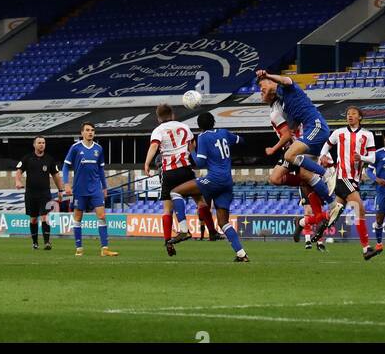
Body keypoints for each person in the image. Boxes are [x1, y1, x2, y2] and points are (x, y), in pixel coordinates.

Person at [257, 69, 338, 235]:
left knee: (290, 158)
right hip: (307, 135)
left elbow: (285, 80)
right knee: (305, 175)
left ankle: (327, 173)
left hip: (316, 127)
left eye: (261, 86)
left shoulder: (287, 88)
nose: (260, 89)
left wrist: (268, 76)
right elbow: (292, 128)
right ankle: (331, 205)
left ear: (273, 83)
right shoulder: (284, 104)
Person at [169, 112, 248, 262]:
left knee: (175, 193)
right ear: (214, 122)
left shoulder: (203, 137)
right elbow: (241, 141)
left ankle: (184, 230)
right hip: (227, 182)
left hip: (214, 179)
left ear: (200, 126)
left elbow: (200, 163)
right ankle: (241, 254)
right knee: (223, 222)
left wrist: (191, 150)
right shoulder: (224, 132)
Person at [144, 103, 206, 257]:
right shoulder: (184, 127)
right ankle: (210, 231)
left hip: (169, 172)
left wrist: (146, 163)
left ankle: (167, 241)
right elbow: (192, 145)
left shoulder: (158, 130)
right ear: (172, 115)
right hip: (186, 170)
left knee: (167, 209)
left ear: (158, 118)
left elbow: (154, 146)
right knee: (200, 201)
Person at [321, 106, 377, 259]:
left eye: (353, 114)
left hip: (355, 179)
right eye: (348, 114)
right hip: (342, 177)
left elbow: (372, 158)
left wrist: (362, 158)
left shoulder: (368, 135)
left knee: (335, 212)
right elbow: (326, 145)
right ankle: (366, 248)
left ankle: (308, 226)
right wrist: (322, 156)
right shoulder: (339, 133)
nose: (350, 116)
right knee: (359, 207)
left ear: (360, 117)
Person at [63, 121, 118, 257]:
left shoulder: (98, 149)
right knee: (78, 217)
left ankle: (104, 249)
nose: (90, 132)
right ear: (82, 133)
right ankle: (79, 248)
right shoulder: (75, 148)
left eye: (92, 130)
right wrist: (66, 183)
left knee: (102, 216)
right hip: (79, 189)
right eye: (87, 130)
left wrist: (104, 187)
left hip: (95, 188)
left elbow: (100, 169)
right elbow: (65, 166)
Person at [15, 136, 64, 250]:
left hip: (45, 194)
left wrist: (60, 190)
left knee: (44, 217)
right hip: (31, 194)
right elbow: (19, 171)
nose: (42, 144)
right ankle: (35, 242)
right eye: (39, 142)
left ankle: (47, 242)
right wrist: (18, 181)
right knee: (33, 219)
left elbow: (56, 176)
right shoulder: (27, 158)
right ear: (34, 145)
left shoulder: (49, 159)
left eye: (43, 142)